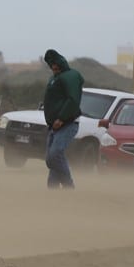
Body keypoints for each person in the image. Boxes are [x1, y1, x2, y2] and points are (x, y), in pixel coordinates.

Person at [42, 49, 84, 189]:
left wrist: (61, 118)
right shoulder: (54, 78)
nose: (53, 67)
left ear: (61, 63)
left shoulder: (70, 76)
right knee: (50, 159)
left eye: (55, 63)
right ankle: (52, 187)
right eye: (51, 64)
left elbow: (73, 100)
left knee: (55, 153)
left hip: (67, 123)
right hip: (54, 125)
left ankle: (68, 186)